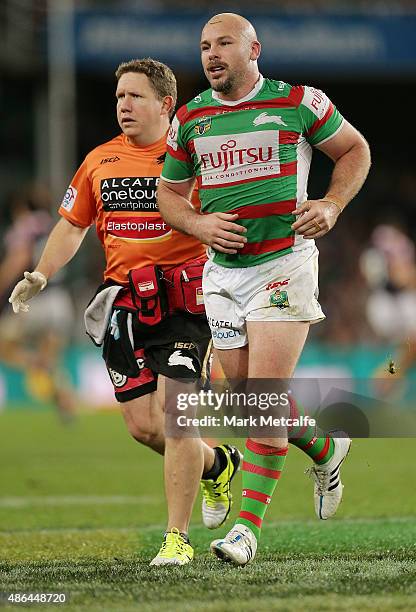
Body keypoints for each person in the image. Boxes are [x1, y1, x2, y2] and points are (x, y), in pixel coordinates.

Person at [8, 58, 241, 566]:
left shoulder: (198, 155)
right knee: (143, 427)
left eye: (134, 97)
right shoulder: (99, 162)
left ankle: (175, 540)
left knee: (178, 416)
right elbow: (72, 227)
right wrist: (41, 273)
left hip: (187, 301)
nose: (123, 106)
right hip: (124, 303)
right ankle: (217, 465)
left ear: (165, 104)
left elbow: (235, 210)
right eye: (118, 98)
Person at [157, 13, 371, 565]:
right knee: (249, 405)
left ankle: (246, 531)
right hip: (224, 273)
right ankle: (326, 446)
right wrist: (200, 225)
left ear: (255, 48)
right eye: (204, 45)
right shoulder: (190, 118)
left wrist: (330, 204)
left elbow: (354, 150)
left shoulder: (300, 102)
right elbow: (169, 195)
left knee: (266, 398)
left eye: (224, 43)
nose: (211, 54)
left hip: (284, 263)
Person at [0, 184, 76, 421]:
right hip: (61, 301)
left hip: (34, 301)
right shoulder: (55, 225)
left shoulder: (24, 227)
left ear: (20, 208)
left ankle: (35, 363)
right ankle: (67, 403)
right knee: (53, 359)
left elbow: (18, 260)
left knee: (5, 346)